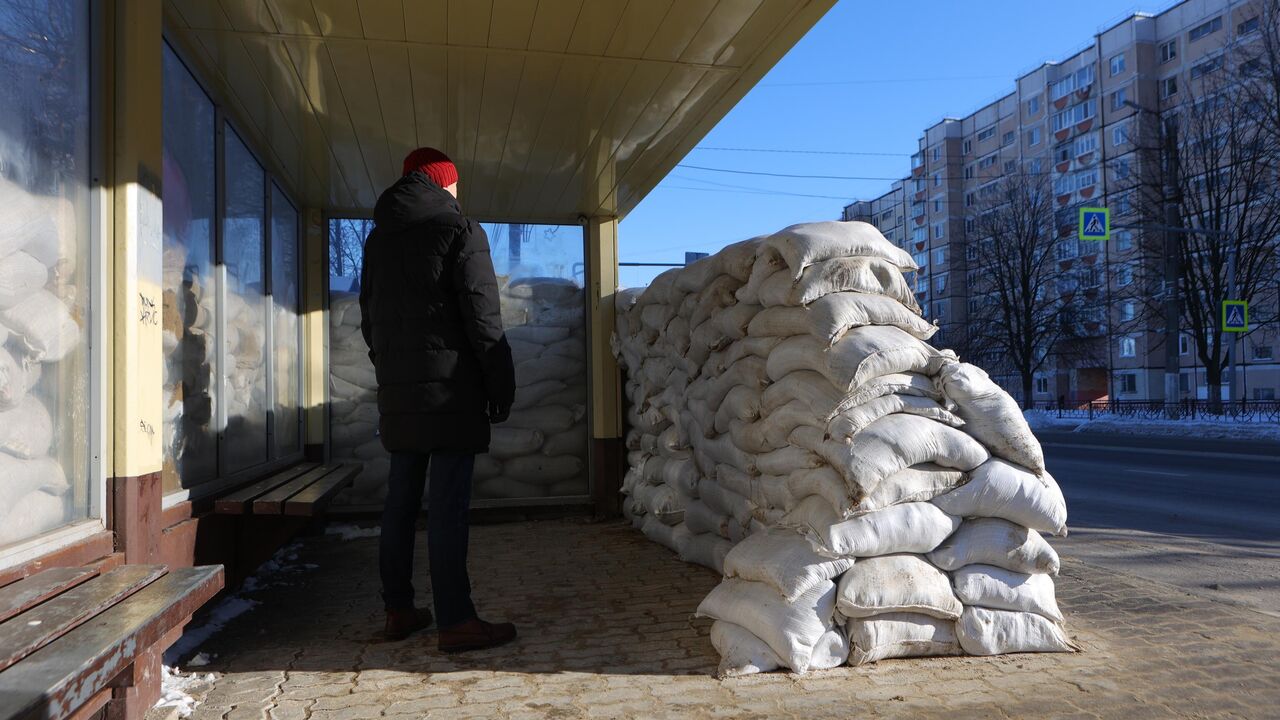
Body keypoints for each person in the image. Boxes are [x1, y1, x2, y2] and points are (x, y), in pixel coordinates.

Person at [360, 147, 517, 652]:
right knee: (448, 508)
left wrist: (393, 373)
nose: (457, 193)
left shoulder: (379, 241)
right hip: (452, 393)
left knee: (401, 503)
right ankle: (456, 620)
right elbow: (483, 319)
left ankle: (398, 610)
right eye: (456, 185)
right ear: (443, 183)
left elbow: (370, 322)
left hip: (400, 395)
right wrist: (500, 385)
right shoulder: (459, 231)